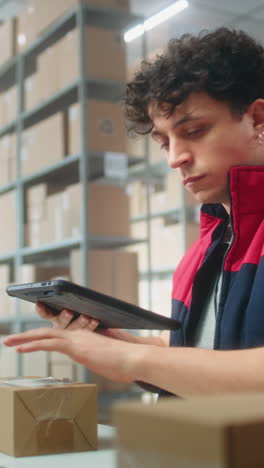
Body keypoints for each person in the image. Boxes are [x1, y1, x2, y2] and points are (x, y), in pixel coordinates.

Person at [4, 27, 264, 397]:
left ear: (256, 119)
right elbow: (190, 359)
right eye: (164, 142)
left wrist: (131, 362)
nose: (176, 158)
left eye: (194, 130)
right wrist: (114, 346)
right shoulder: (203, 251)